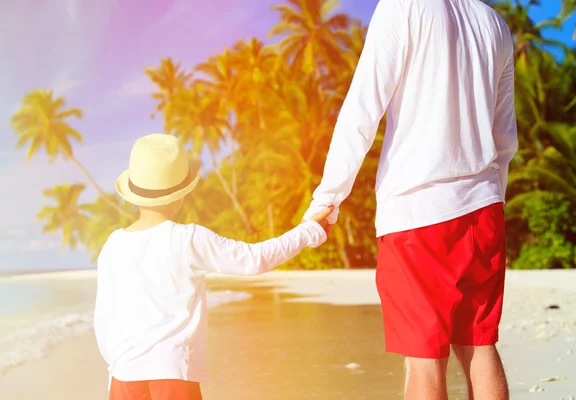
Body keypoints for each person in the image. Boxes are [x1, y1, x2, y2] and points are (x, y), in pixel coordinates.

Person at [302, 0, 518, 399]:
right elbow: (505, 140)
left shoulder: (402, 6)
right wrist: (491, 200)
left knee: (423, 360)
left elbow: (361, 111)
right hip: (484, 209)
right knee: (480, 345)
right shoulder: (495, 24)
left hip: (418, 212)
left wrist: (328, 197)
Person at [94, 133, 333, 400]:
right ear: (180, 196)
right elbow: (255, 259)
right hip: (172, 373)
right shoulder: (187, 239)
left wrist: (115, 369)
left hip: (123, 375)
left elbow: (103, 320)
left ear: (134, 193)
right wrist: (309, 231)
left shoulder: (113, 244)